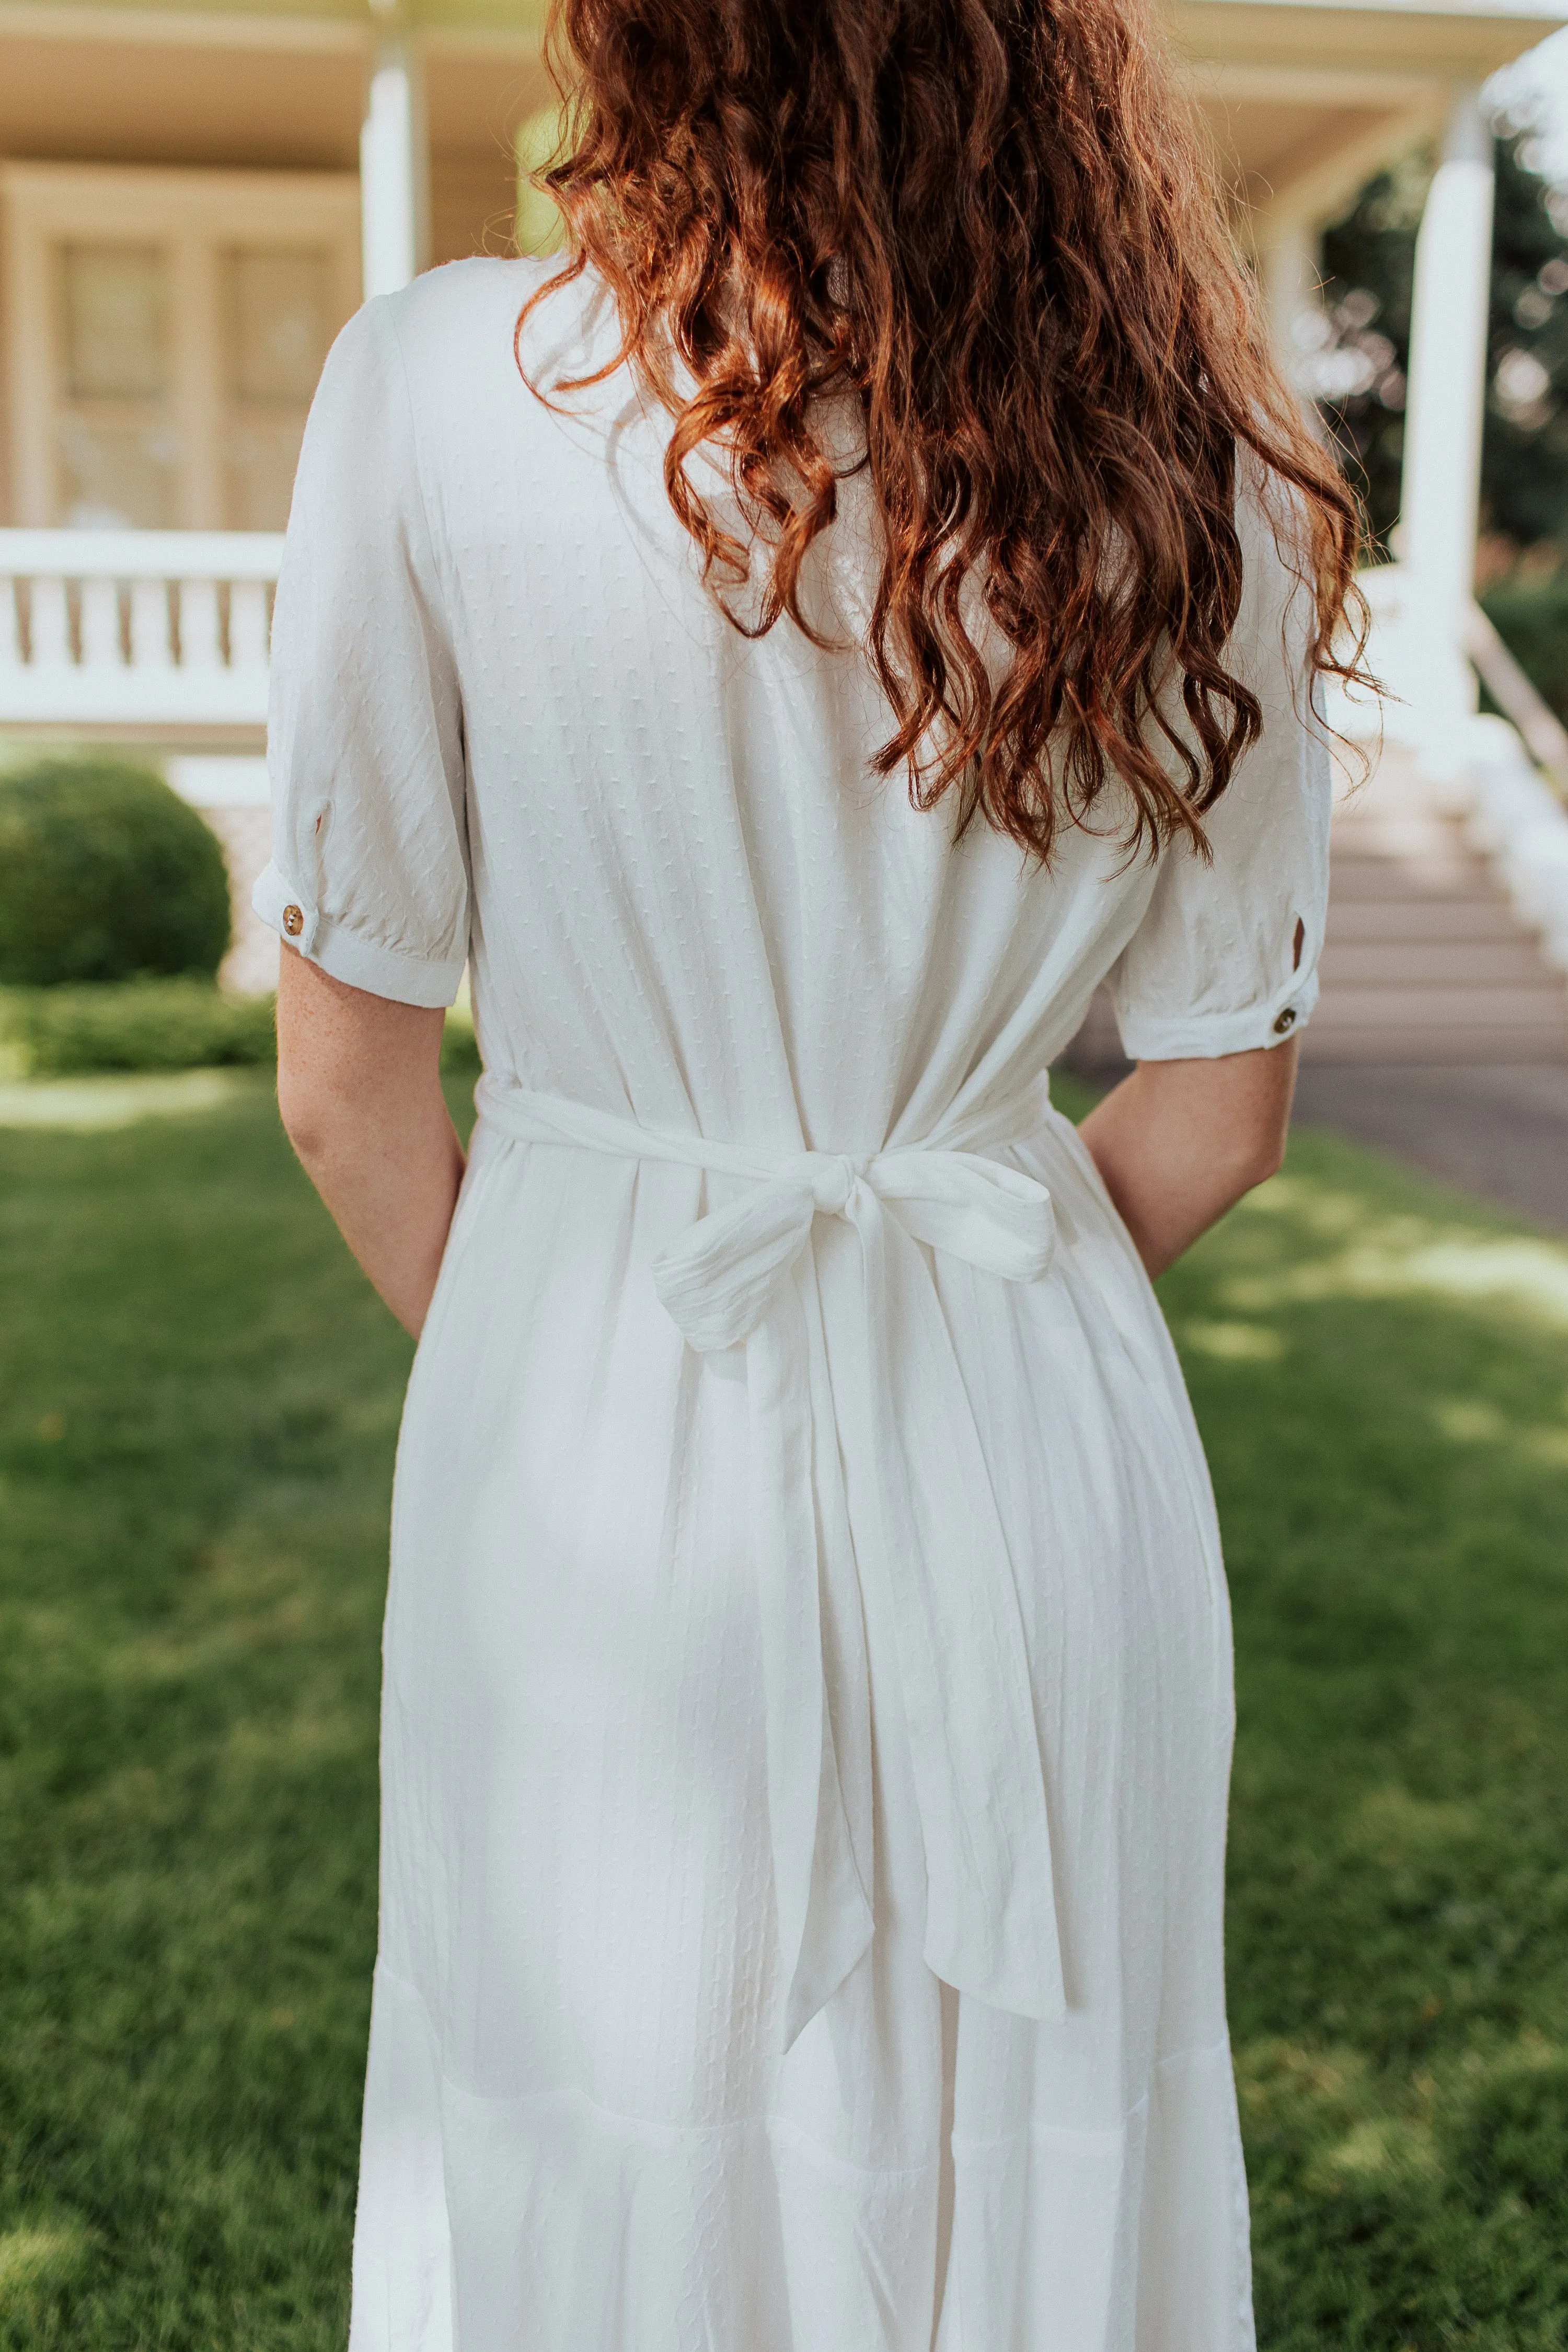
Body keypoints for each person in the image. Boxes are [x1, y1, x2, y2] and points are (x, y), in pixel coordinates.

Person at [259, 0, 1363, 2342]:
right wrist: (991, 1333)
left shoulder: (444, 389)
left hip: (597, 1412)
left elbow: (348, 1081)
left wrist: (572, 1356)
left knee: (602, 2122)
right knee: (1050, 2148)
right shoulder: (1206, 463)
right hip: (1039, 1422)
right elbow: (1215, 1106)